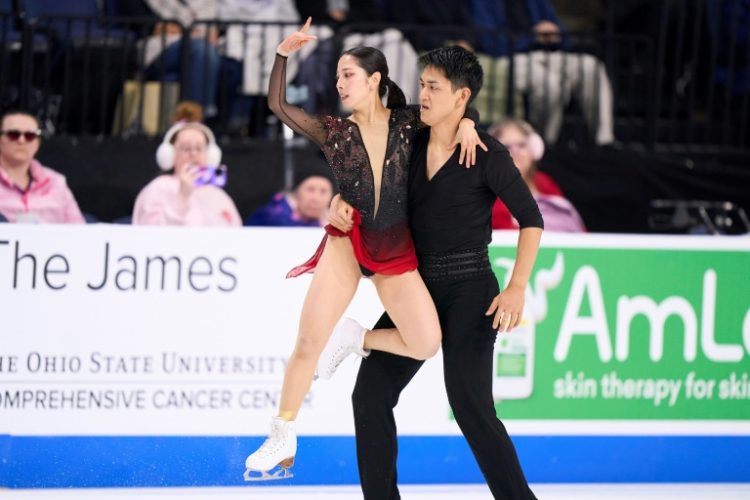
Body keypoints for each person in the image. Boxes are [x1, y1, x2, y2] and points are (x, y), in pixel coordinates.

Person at [242, 18, 486, 480]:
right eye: (336, 77)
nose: (339, 83)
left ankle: (356, 337)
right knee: (308, 341)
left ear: (375, 79)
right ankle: (282, 434)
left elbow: (453, 112)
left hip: (394, 247)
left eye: (348, 75)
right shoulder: (334, 130)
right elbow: (277, 103)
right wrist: (281, 55)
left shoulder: (410, 121)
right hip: (347, 242)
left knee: (426, 341)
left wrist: (469, 124)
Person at [325, 46, 543, 499]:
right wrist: (338, 201)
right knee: (369, 395)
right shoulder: (410, 135)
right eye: (421, 83)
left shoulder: (486, 153)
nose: (422, 93)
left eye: (433, 87)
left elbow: (531, 219)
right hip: (419, 289)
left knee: (471, 407)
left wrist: (518, 286)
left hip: (470, 291)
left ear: (460, 95)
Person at [470, 0, 616, 145]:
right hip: (509, 57)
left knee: (591, 66)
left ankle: (605, 141)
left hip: (547, 53)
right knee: (550, 85)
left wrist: (555, 33)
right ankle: (544, 143)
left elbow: (563, 37)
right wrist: (532, 36)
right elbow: (491, 42)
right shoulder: (484, 3)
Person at [132, 120, 241, 226]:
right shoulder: (158, 188)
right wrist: (182, 196)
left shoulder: (219, 196)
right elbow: (149, 235)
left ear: (209, 155)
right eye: (186, 148)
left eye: (199, 148)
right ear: (170, 155)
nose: (193, 154)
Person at [489, 118, 586, 232]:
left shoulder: (543, 181)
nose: (515, 152)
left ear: (534, 150)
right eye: (506, 147)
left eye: (521, 145)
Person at [0, 111, 85, 224]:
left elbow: (79, 229)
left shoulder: (56, 181)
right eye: (13, 134)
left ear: (37, 143)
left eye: (30, 136)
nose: (21, 140)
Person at [245, 164, 334, 227]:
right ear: (296, 192)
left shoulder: (332, 223)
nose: (316, 198)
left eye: (323, 191)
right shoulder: (269, 217)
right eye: (310, 189)